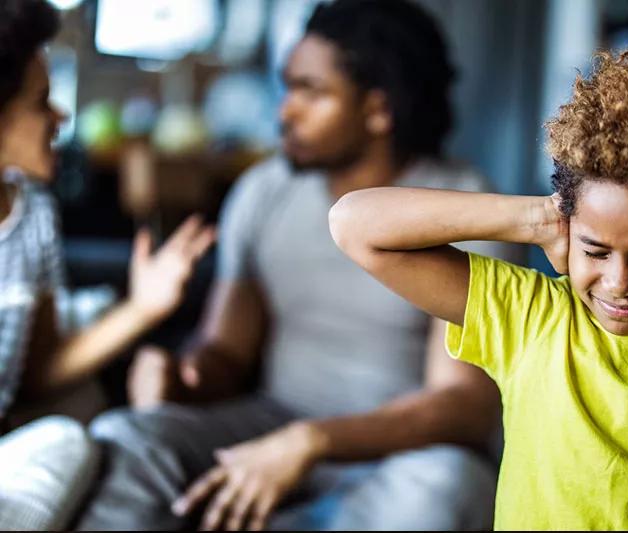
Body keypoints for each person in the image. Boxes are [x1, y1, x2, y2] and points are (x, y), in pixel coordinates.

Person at [75, 0, 512, 530]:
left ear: (378, 109)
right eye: (288, 88)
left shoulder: (464, 203)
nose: (285, 110)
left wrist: (314, 440)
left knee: (446, 486)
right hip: (269, 424)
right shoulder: (263, 191)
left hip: (399, 454)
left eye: (311, 91)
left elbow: (464, 405)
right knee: (125, 438)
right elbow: (226, 351)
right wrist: (180, 377)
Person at [330, 43, 628, 530]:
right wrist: (537, 217)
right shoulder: (529, 316)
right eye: (595, 251)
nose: (618, 282)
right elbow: (354, 224)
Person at [0, 1, 214, 529]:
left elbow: (37, 374)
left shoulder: (33, 213)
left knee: (69, 442)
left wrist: (142, 309)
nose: (60, 117)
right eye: (40, 103)